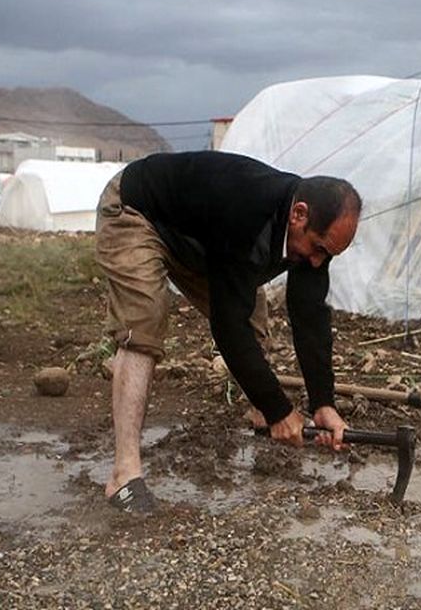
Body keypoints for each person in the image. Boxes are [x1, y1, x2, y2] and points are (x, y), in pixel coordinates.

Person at [95, 151, 361, 514]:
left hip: (197, 238)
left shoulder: (311, 238)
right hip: (137, 210)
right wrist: (280, 408)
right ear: (299, 214)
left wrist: (323, 403)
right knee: (143, 322)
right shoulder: (248, 207)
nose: (318, 261)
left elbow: (310, 316)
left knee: (252, 313)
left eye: (327, 255)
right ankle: (124, 475)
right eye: (317, 248)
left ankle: (261, 414)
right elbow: (226, 326)